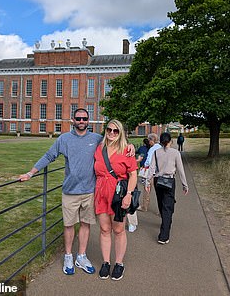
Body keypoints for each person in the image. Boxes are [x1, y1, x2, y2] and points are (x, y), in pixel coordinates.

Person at [19, 108, 135, 276]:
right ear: (73, 120)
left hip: (90, 191)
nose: (81, 121)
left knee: (88, 225)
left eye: (84, 118)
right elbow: (49, 155)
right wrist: (31, 173)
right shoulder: (65, 139)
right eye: (78, 118)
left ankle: (82, 256)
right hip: (71, 191)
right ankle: (68, 256)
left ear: (89, 121)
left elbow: (118, 142)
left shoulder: (96, 139)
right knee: (70, 225)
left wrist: (130, 145)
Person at [94, 119, 137, 281]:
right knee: (105, 229)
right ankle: (106, 262)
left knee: (118, 229)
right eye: (109, 130)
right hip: (101, 193)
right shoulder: (99, 148)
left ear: (120, 133)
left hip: (119, 194)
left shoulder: (127, 150)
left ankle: (119, 263)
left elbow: (133, 174)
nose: (112, 133)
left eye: (115, 131)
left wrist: (129, 195)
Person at [145, 132, 189, 244]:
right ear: (170, 141)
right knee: (167, 207)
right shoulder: (175, 153)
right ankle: (163, 236)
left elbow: (152, 168)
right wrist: (185, 184)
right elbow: (180, 170)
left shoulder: (156, 152)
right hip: (169, 181)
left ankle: (165, 220)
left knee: (161, 203)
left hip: (158, 181)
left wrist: (147, 182)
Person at [140, 133, 161, 211]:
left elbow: (148, 161)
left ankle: (144, 206)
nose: (148, 142)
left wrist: (144, 165)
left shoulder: (152, 149)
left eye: (149, 140)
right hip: (159, 172)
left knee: (147, 190)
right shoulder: (160, 148)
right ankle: (161, 210)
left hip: (151, 172)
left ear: (152, 140)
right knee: (159, 192)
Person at [136, 138, 150, 212]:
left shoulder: (142, 148)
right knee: (148, 187)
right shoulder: (151, 149)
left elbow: (138, 153)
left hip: (144, 169)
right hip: (151, 170)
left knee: (146, 187)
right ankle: (146, 204)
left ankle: (145, 206)